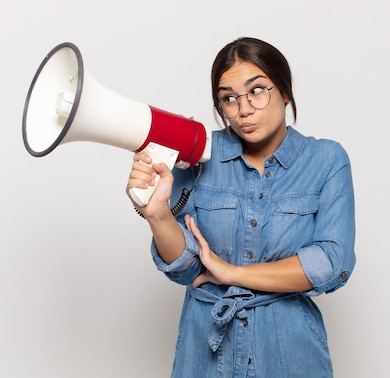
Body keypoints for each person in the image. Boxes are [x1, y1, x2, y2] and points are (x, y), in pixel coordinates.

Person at [126, 37, 356, 377]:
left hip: (288, 351)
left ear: (285, 91)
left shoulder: (326, 160)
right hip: (203, 351)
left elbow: (330, 262)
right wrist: (158, 214)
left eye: (257, 90)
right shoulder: (198, 154)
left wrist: (232, 274)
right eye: (228, 98)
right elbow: (189, 270)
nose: (243, 109)